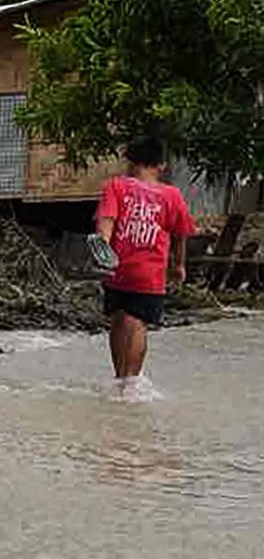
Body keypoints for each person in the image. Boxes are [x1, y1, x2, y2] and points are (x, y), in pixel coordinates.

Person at [95, 134, 195, 389]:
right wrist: (179, 265)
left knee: (118, 320)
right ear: (160, 165)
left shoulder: (116, 186)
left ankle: (120, 379)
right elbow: (180, 234)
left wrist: (103, 244)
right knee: (137, 322)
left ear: (131, 161)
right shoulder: (171, 195)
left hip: (116, 267)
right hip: (149, 273)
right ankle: (132, 382)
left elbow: (106, 219)